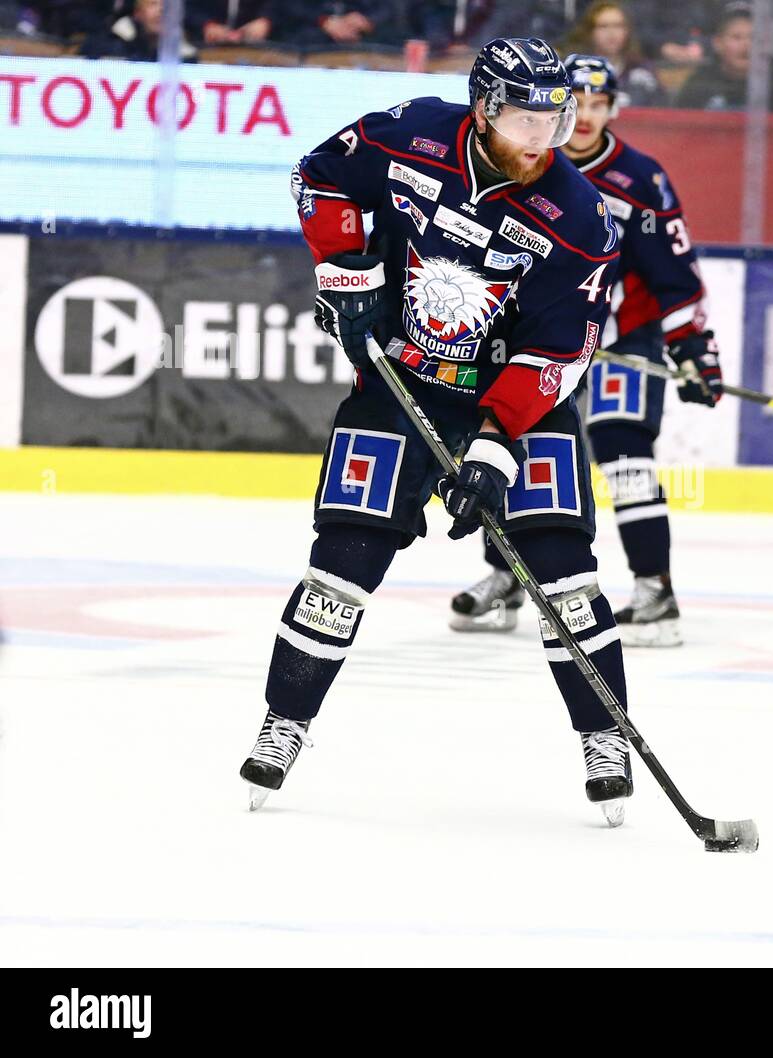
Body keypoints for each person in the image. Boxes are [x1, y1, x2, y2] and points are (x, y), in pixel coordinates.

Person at [240, 38, 639, 828]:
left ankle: (606, 738)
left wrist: (494, 447)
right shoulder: (409, 133)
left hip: (519, 407)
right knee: (343, 562)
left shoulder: (582, 221)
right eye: (528, 114)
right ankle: (284, 721)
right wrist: (348, 274)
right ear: (485, 107)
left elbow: (561, 350)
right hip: (403, 381)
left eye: (557, 117)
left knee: (564, 572)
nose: (545, 134)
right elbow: (318, 177)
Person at [449, 54, 721, 648]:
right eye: (581, 104)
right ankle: (507, 574)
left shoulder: (639, 178)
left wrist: (694, 346)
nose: (590, 117)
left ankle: (654, 588)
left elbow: (675, 271)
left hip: (624, 337)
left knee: (625, 452)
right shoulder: (516, 168)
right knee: (510, 442)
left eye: (601, 104)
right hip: (539, 339)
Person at [675, 2, 773, 112]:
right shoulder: (700, 83)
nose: (746, 44)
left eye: (753, 37)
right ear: (717, 43)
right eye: (737, 37)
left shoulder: (771, 79)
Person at [558, 2, 662, 107]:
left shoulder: (643, 70)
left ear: (627, 31)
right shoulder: (574, 71)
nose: (611, 33)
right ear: (590, 32)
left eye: (618, 26)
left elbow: (660, 110)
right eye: (603, 26)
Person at [80, 0, 198, 61]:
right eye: (153, 4)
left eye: (167, 6)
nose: (161, 10)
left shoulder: (186, 55)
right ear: (138, 14)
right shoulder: (109, 46)